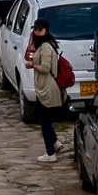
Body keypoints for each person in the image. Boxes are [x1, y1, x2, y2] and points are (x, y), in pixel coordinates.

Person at [25, 16, 69, 162]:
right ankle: (55, 143)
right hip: (43, 87)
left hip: (48, 89)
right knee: (41, 114)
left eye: (40, 29)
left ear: (46, 30)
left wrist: (32, 65)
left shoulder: (46, 47)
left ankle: (50, 153)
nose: (37, 32)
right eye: (35, 29)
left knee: (45, 121)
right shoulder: (41, 45)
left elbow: (45, 68)